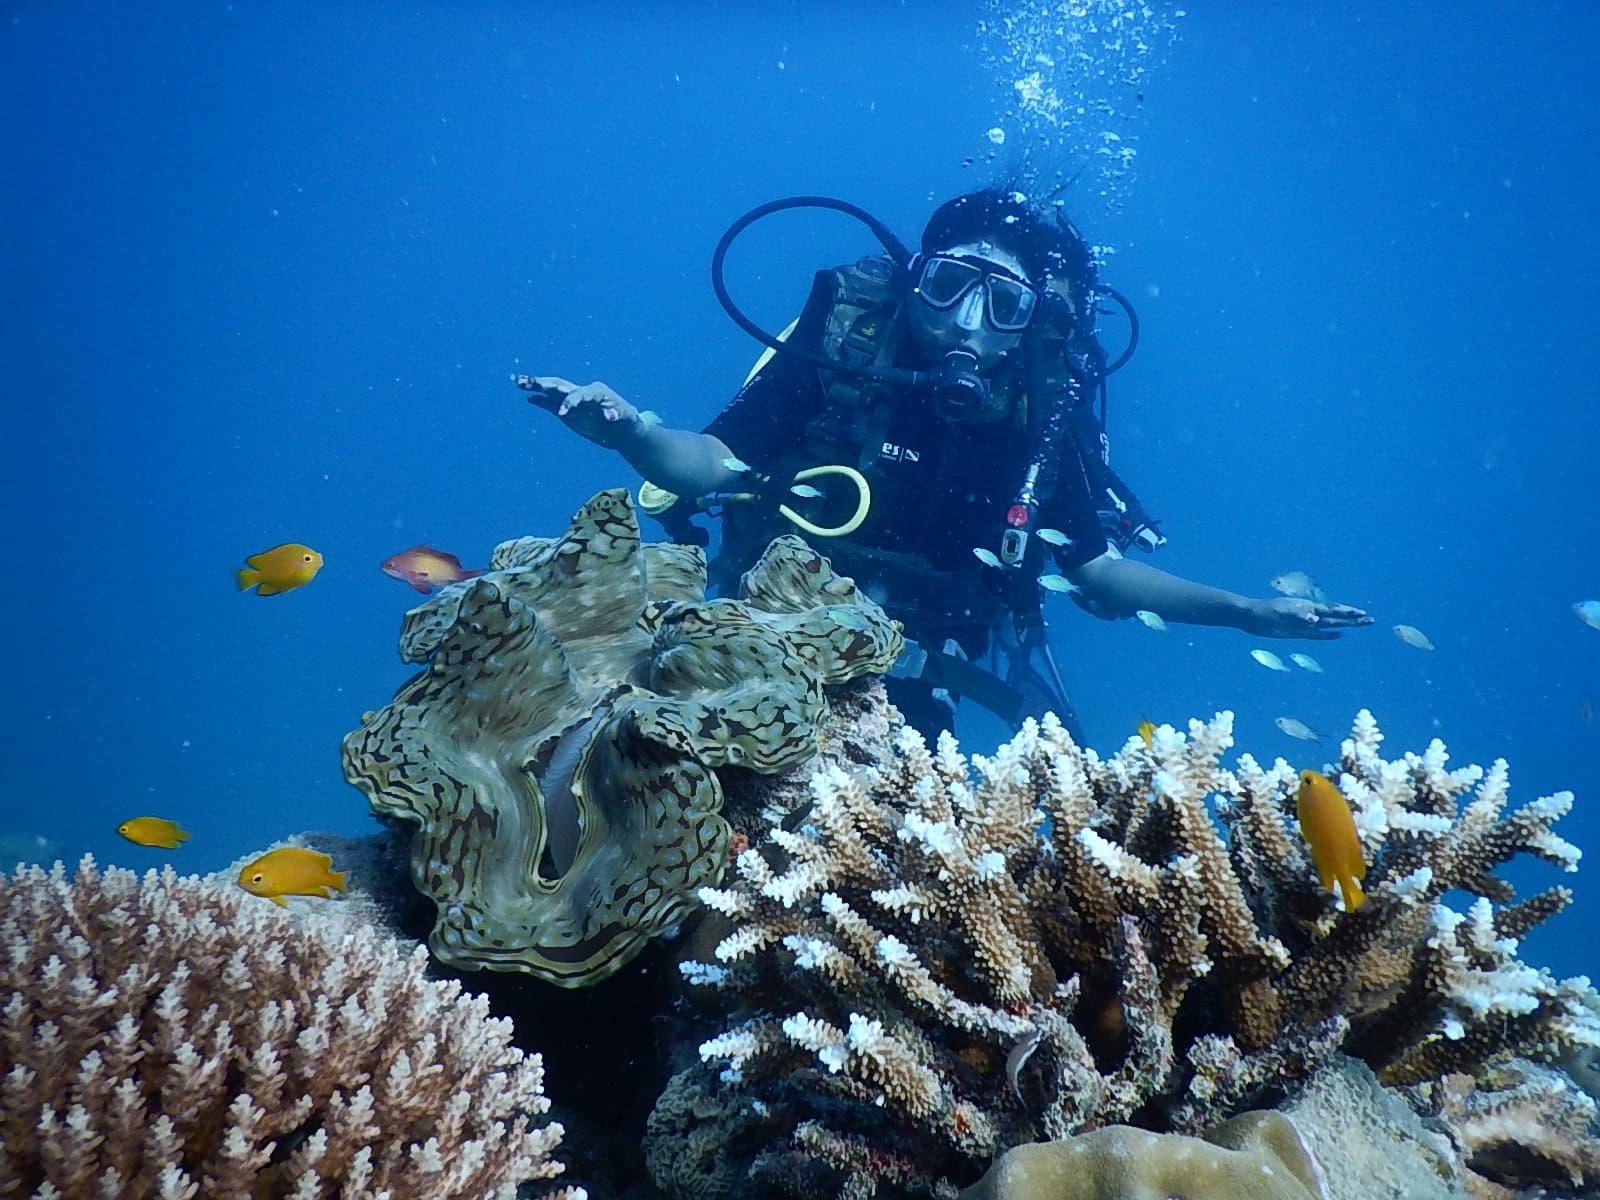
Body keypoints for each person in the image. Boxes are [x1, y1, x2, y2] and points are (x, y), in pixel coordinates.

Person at [523, 188, 1371, 740]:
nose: (969, 323)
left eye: (1002, 304)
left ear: (1033, 324)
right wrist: (631, 432)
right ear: (913, 279)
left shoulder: (1046, 400)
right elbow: (710, 458)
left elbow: (1098, 571)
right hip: (763, 619)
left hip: (928, 651)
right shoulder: (847, 333)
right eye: (948, 287)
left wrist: (1245, 613)